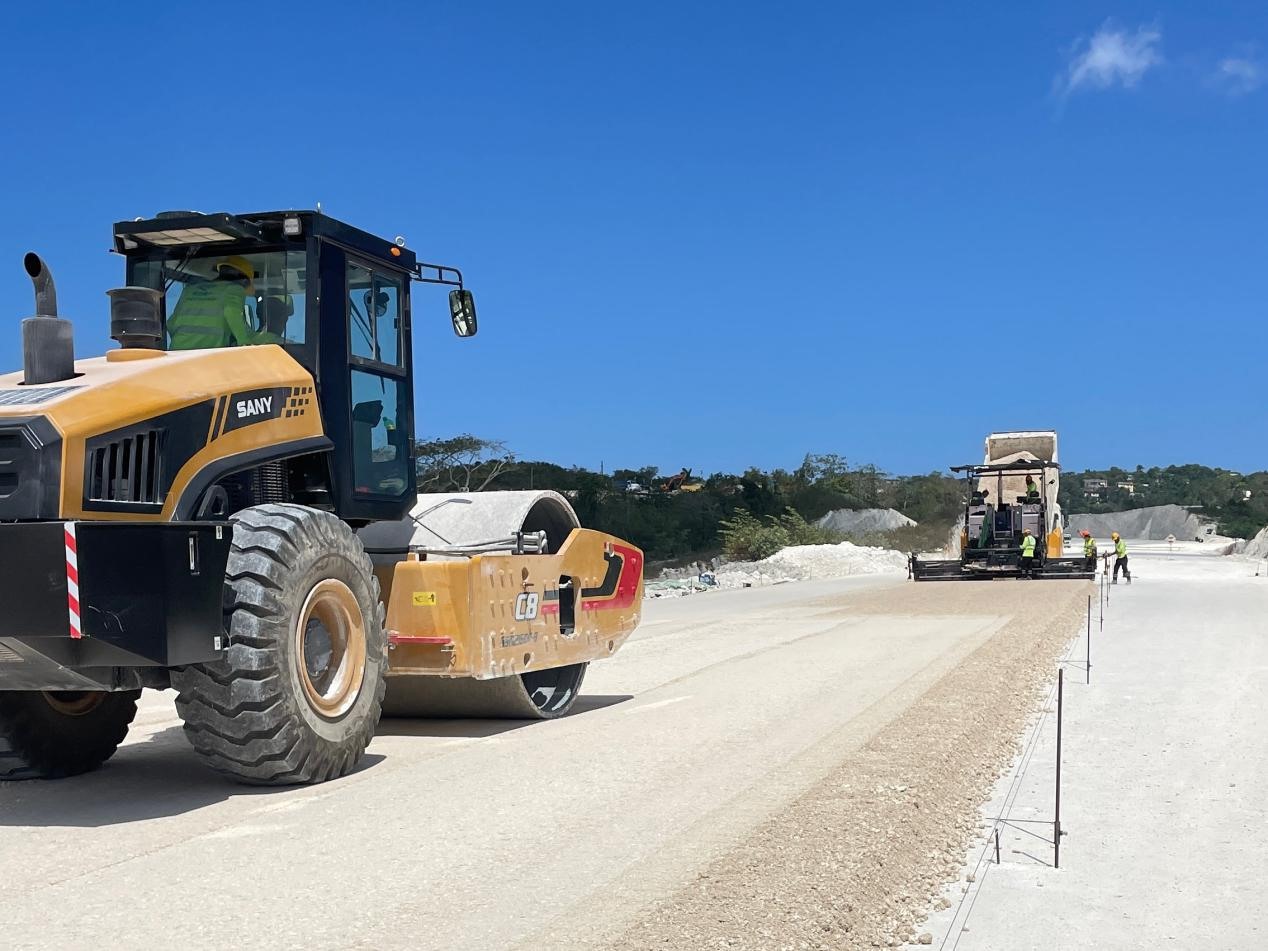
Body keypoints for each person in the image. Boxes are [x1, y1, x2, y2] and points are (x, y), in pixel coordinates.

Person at [168, 256, 274, 349]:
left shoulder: (189, 289)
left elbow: (171, 322)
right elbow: (232, 312)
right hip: (208, 356)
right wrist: (244, 343)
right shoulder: (234, 289)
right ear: (244, 281)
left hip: (177, 355)